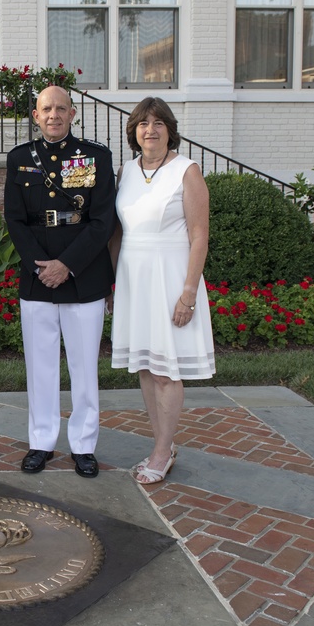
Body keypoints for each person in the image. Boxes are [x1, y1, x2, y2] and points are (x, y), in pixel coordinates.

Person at [4, 85, 117, 478]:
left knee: (85, 367)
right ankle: (42, 442)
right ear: (35, 116)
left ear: (73, 114)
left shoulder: (95, 157)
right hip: (38, 276)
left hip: (83, 273)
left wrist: (66, 264)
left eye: (61, 109)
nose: (53, 115)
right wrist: (42, 267)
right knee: (41, 367)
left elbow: (103, 221)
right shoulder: (19, 158)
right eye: (46, 109)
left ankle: (84, 445)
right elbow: (15, 220)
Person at [109, 96, 216, 485]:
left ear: (169, 130)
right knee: (146, 366)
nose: (150, 129)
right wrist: (113, 283)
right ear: (134, 132)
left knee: (167, 371)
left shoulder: (187, 171)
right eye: (142, 123)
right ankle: (163, 443)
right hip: (135, 280)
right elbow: (118, 232)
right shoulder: (127, 171)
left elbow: (199, 236)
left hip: (171, 278)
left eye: (157, 123)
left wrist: (188, 292)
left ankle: (161, 451)